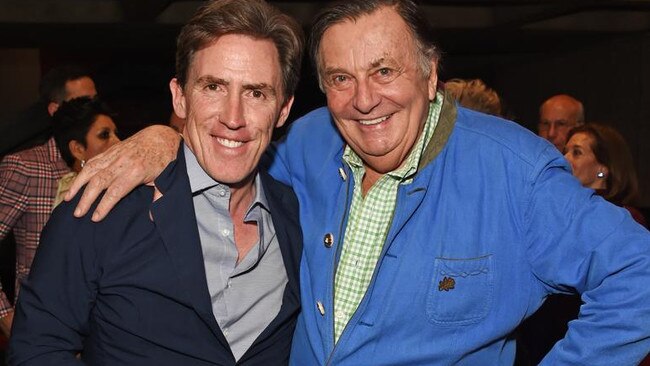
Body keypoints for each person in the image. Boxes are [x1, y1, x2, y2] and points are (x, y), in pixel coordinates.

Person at [64, 0, 650, 364]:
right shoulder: (311, 143)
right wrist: (167, 137)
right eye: (341, 78)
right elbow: (232, 144)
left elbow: (638, 273)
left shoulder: (514, 173)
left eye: (384, 71)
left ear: (430, 74)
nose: (364, 100)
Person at [9, 0, 303, 364]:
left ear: (284, 109)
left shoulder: (296, 216)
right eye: (213, 87)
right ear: (180, 97)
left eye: (256, 93)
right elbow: (37, 351)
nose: (233, 117)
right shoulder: (101, 208)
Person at [0, 65, 96, 338]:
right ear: (55, 110)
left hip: (101, 335)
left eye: (95, 99)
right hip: (43, 334)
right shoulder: (25, 167)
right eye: (82, 102)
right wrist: (7, 318)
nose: (93, 108)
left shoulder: (109, 165)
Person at [564, 123, 646, 226]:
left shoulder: (627, 218)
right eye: (565, 151)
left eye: (577, 152)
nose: (565, 158)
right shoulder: (562, 207)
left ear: (602, 168)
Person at [51, 97, 120, 208]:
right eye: (104, 135)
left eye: (116, 134)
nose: (118, 142)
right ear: (78, 149)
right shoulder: (71, 199)